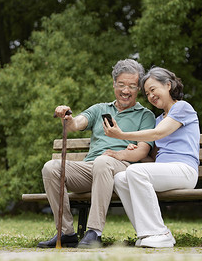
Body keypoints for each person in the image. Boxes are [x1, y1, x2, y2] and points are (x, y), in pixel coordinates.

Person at [38, 59, 156, 248]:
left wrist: (119, 155)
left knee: (103, 162)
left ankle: (94, 232)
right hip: (91, 168)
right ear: (114, 84)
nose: (126, 90)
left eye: (132, 86)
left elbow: (142, 151)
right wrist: (67, 116)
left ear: (139, 89)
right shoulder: (99, 109)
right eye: (122, 85)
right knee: (51, 167)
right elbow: (77, 124)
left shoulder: (145, 116)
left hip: (121, 169)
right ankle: (66, 233)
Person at [103, 66, 200, 248]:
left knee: (134, 172)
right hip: (167, 172)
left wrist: (121, 135)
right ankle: (146, 233)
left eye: (153, 89)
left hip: (185, 170)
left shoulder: (182, 107)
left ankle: (161, 233)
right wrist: (134, 153)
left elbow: (157, 134)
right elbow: (154, 161)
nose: (151, 96)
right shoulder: (158, 119)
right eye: (147, 93)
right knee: (120, 178)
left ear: (168, 85)